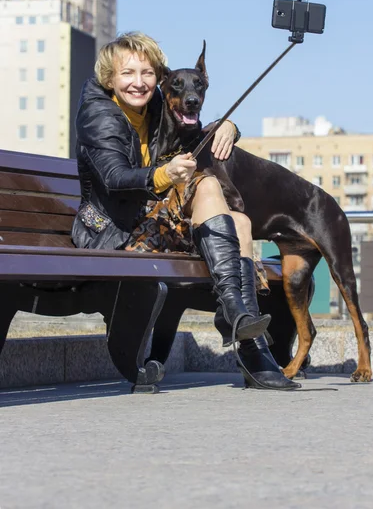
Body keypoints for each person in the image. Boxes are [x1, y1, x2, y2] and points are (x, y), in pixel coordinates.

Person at [72, 32, 298, 390]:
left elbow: (194, 126)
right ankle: (245, 334)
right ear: (109, 78)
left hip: (150, 223)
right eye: (127, 73)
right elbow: (115, 178)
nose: (139, 82)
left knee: (240, 220)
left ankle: (240, 321)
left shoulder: (156, 106)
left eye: (147, 73)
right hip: (114, 233)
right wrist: (165, 174)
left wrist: (228, 126)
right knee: (208, 186)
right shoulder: (99, 113)